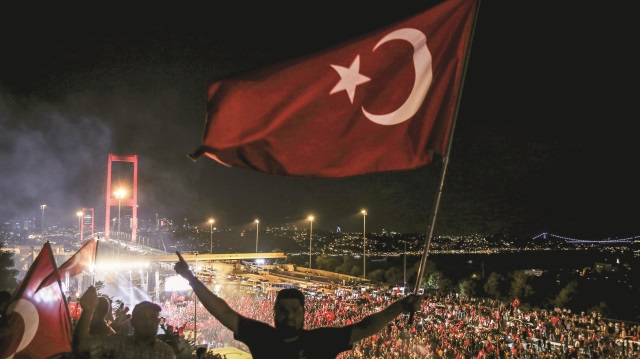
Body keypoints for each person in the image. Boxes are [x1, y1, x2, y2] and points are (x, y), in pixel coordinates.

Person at [174, 251, 426, 359]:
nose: (289, 316)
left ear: (304, 314)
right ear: (274, 313)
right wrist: (191, 279)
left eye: (295, 311)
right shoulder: (261, 336)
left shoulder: (320, 341)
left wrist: (401, 307)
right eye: (283, 311)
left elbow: (365, 327)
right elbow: (222, 310)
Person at [73, 286, 176, 358]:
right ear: (133, 322)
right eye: (143, 318)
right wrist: (87, 311)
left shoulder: (166, 353)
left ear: (158, 321)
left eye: (153, 317)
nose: (148, 322)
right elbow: (83, 346)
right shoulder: (118, 343)